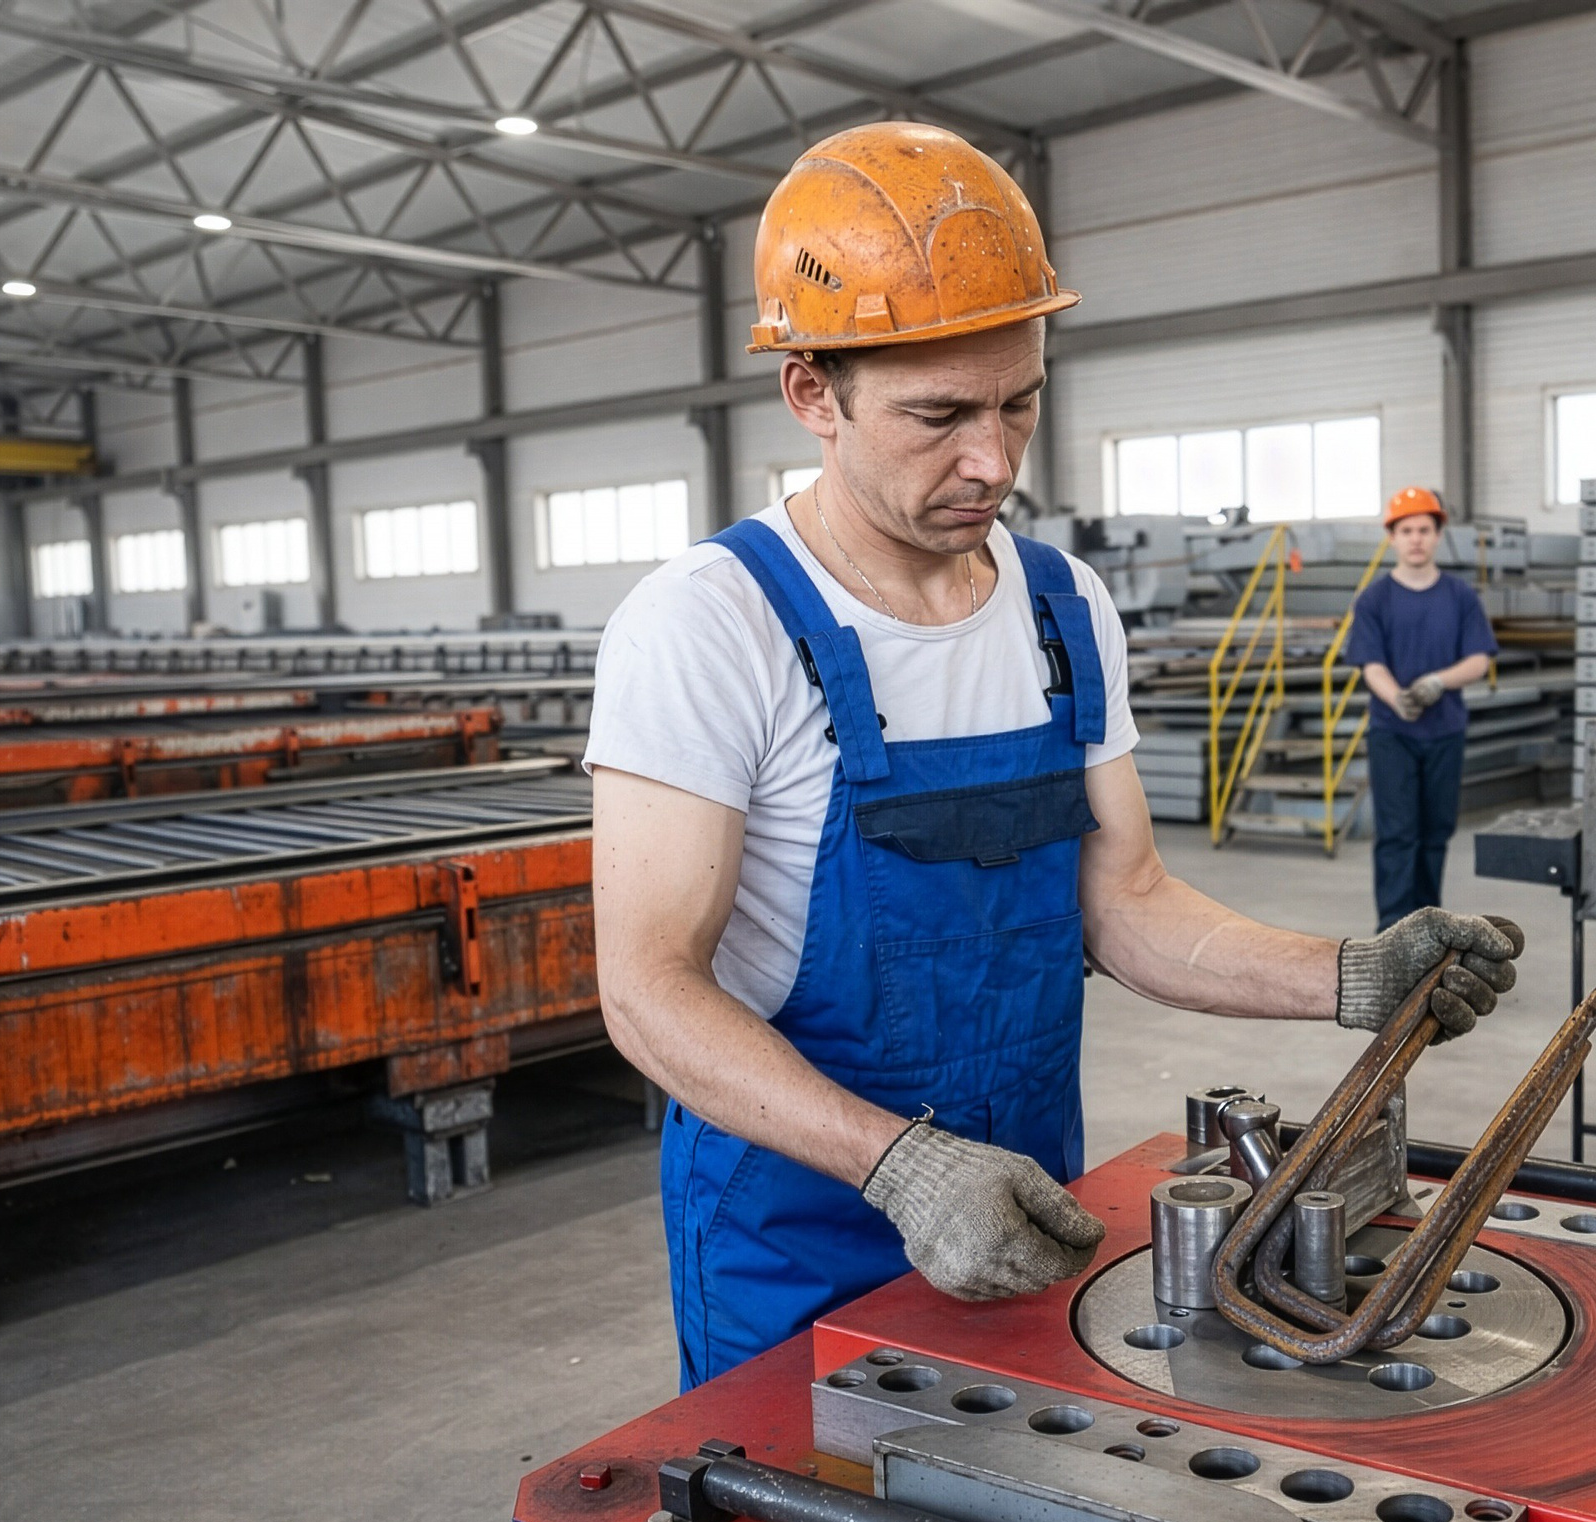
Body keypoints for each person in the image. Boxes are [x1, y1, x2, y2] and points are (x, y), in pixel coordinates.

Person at [584, 123, 1527, 1388]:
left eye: (1017, 402)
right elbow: (647, 985)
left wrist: (1351, 976)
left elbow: (1121, 899)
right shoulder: (710, 622)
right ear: (812, 393)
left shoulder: (1059, 605)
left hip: (1033, 1198)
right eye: (938, 414)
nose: (992, 460)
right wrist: (895, 1164)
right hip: (797, 1223)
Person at [1343, 487, 1499, 931]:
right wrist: (1398, 697)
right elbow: (1370, 663)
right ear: (1392, 537)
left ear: (1437, 535)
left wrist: (1437, 683)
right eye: (1406, 529)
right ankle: (1392, 934)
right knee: (1397, 836)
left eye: (1424, 530)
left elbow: (1479, 659)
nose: (1416, 538)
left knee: (1434, 834)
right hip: (1393, 733)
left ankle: (1430, 930)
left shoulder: (1460, 597)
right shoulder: (1374, 600)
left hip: (1445, 731)